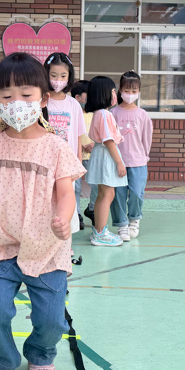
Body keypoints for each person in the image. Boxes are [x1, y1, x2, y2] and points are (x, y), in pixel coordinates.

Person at [0, 52, 85, 370]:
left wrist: (64, 218)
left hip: (46, 247)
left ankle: (41, 353)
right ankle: (2, 358)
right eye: (6, 96)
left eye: (26, 95)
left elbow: (67, 193)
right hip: (0, 245)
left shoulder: (56, 147)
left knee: (52, 319)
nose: (16, 103)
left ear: (42, 99)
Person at [84, 75, 128, 247]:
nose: (115, 95)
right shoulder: (104, 114)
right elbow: (109, 140)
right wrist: (119, 162)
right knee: (107, 194)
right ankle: (100, 233)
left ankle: (99, 230)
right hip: (106, 155)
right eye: (112, 91)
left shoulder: (100, 113)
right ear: (104, 93)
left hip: (101, 153)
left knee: (104, 194)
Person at [110, 71, 152, 242]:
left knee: (136, 193)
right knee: (118, 195)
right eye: (127, 90)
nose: (130, 94)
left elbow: (146, 138)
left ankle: (134, 219)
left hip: (138, 161)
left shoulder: (142, 114)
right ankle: (122, 224)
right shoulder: (113, 113)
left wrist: (144, 156)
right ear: (120, 90)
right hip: (117, 161)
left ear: (139, 91)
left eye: (134, 91)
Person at [71, 80, 97, 225]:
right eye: (88, 94)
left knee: (97, 185)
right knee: (76, 188)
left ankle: (92, 209)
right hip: (76, 155)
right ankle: (77, 215)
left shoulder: (95, 113)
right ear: (78, 97)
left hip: (93, 156)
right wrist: (79, 145)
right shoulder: (73, 113)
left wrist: (94, 144)